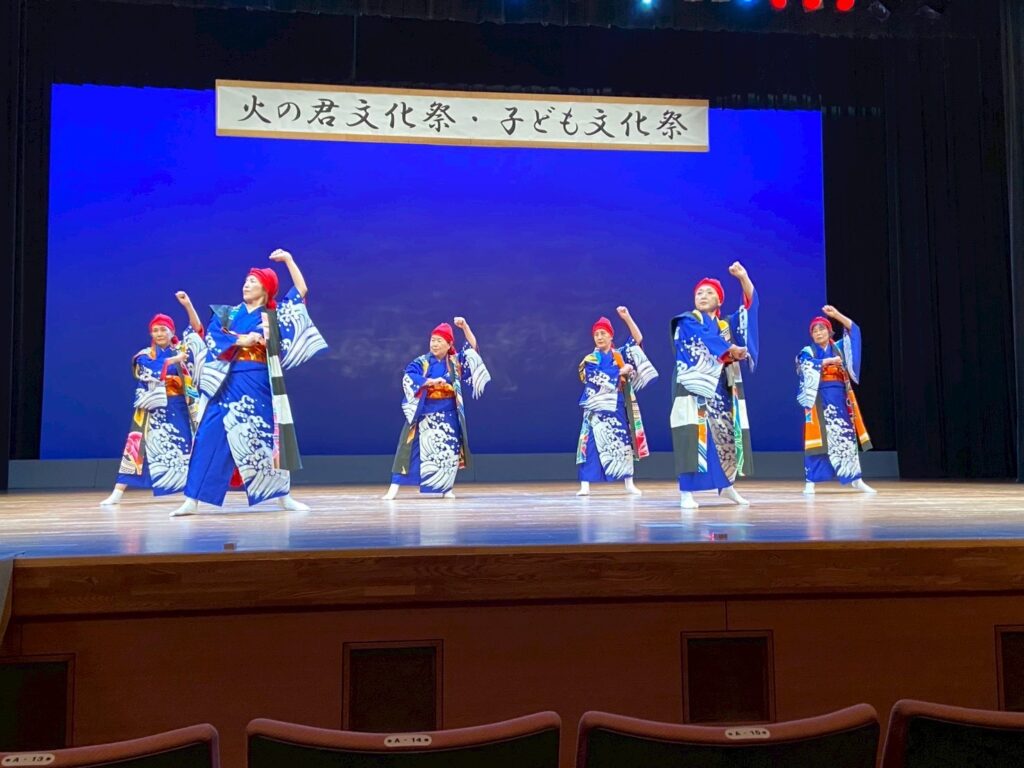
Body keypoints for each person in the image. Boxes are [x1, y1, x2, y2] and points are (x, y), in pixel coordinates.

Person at [171, 249, 327, 516]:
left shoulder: (273, 316)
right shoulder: (228, 314)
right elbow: (212, 336)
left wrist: (288, 260)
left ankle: (283, 496)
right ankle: (192, 499)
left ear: (266, 288)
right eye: (246, 280)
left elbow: (300, 291)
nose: (246, 284)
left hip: (257, 380)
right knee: (208, 437)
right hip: (225, 381)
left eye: (253, 281)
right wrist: (240, 340)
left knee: (266, 438)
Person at [670, 262, 758, 509]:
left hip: (720, 389)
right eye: (699, 292)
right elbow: (703, 338)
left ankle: (727, 485)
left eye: (709, 292)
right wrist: (730, 349)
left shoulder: (724, 325)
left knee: (725, 436)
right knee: (691, 436)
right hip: (692, 386)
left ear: (719, 300)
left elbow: (749, 311)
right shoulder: (687, 320)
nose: (703, 296)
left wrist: (743, 278)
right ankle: (687, 491)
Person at [383, 318, 490, 500]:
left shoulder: (455, 362)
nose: (434, 344)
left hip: (448, 415)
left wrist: (465, 327)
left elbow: (472, 350)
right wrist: (429, 382)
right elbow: (409, 375)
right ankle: (394, 488)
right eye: (433, 340)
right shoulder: (422, 362)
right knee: (407, 451)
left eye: (439, 341)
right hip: (424, 414)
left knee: (447, 453)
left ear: (449, 344)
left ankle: (446, 489)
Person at [100, 314, 197, 506]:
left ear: (172, 332)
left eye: (163, 329)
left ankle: (191, 495)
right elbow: (149, 369)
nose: (159, 333)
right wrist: (172, 361)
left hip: (178, 406)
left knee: (187, 447)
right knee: (136, 449)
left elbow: (197, 330)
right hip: (152, 409)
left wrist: (187, 306)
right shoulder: (145, 355)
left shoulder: (182, 350)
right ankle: (117, 492)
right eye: (155, 330)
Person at [576, 306, 658, 496]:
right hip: (596, 409)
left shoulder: (620, 355)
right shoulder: (591, 359)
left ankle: (629, 482)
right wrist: (620, 371)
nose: (599, 337)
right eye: (596, 334)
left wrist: (627, 317)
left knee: (623, 442)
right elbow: (593, 376)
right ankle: (585, 485)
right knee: (590, 446)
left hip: (618, 406)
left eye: (603, 333)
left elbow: (637, 341)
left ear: (611, 336)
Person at [797, 305, 875, 494]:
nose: (818, 333)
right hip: (817, 399)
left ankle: (855, 478)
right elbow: (803, 365)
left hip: (839, 398)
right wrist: (827, 362)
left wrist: (837, 315)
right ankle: (810, 481)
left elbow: (854, 330)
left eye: (822, 329)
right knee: (817, 440)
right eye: (814, 331)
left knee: (845, 436)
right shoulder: (808, 351)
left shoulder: (839, 348)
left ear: (829, 331)